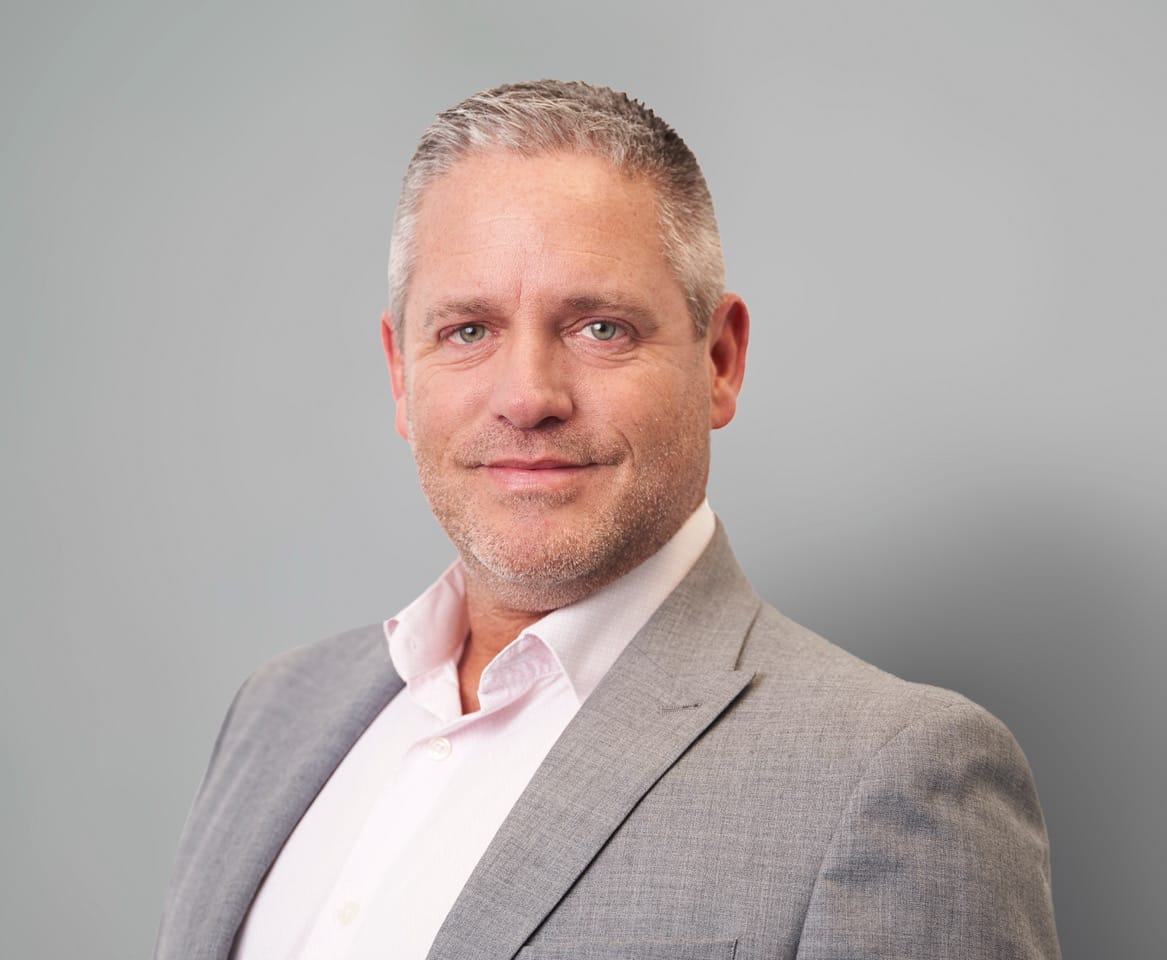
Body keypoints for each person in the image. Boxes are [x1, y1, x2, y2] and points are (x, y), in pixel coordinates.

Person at [155, 81, 1060, 960]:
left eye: (600, 328)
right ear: (401, 372)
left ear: (719, 360)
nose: (527, 398)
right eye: (467, 330)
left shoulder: (894, 775)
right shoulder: (275, 714)